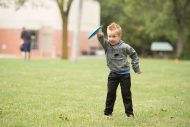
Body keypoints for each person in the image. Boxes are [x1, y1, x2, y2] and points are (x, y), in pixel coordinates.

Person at [97, 22, 141, 118]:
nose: (111, 39)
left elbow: (134, 55)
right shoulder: (107, 46)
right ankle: (108, 113)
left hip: (125, 75)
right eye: (109, 36)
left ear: (119, 36)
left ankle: (129, 114)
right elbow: (102, 40)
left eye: (114, 36)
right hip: (113, 75)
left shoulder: (125, 47)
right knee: (110, 94)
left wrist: (136, 67)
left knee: (126, 95)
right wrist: (100, 35)